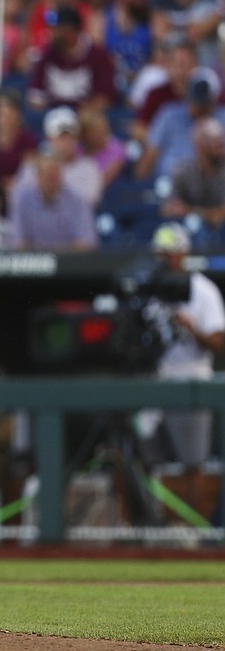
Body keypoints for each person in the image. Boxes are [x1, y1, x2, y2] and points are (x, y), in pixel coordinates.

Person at [149, 223, 225, 510]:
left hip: (190, 380)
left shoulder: (203, 290)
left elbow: (219, 343)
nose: (166, 259)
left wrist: (191, 328)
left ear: (183, 253)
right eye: (161, 253)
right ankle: (144, 530)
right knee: (139, 458)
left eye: (171, 253)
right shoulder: (149, 288)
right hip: (153, 381)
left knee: (192, 463)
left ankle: (193, 537)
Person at [26, 6, 118, 111]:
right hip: (53, 115)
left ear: (70, 31)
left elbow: (104, 97)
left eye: (56, 29)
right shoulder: (48, 55)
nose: (51, 33)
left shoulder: (97, 56)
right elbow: (35, 93)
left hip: (86, 118)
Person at [8, 145, 97, 250]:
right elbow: (19, 243)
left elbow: (85, 244)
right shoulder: (22, 200)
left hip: (70, 263)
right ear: (37, 177)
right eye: (47, 176)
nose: (51, 182)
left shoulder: (78, 201)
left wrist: (58, 259)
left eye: (55, 176)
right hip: (34, 264)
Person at [161, 118, 225, 237]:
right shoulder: (184, 171)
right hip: (191, 236)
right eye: (218, 144)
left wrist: (190, 210)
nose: (222, 149)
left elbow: (220, 215)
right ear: (201, 146)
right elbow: (168, 209)